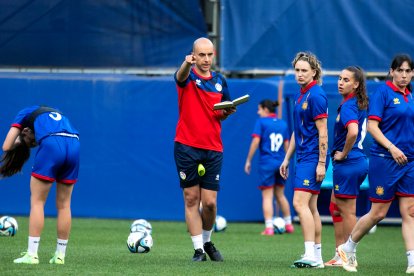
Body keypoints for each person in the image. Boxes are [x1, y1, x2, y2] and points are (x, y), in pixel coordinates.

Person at [338, 54, 414, 274]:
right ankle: (348, 248)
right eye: (400, 70)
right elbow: (372, 127)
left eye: (408, 71)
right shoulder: (383, 93)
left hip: (409, 162)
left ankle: (412, 261)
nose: (404, 75)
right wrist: (392, 147)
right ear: (391, 71)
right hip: (385, 160)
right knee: (379, 213)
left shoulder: (410, 96)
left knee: (410, 212)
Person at [173, 37, 236, 262]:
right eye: (201, 55)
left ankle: (208, 241)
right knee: (191, 198)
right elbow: (179, 77)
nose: (206, 59)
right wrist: (186, 64)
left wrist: (227, 112)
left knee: (209, 203)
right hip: (186, 146)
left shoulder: (220, 81)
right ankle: (198, 249)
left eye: (210, 55)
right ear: (193, 55)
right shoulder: (187, 75)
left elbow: (221, 111)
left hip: (212, 148)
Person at [0, 105, 80, 265]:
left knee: (37, 202)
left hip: (52, 144)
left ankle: (32, 254)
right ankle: (60, 256)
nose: (35, 143)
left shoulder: (23, 112)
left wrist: (20, 142)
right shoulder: (54, 111)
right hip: (74, 144)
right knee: (64, 205)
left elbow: (6, 146)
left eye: (32, 143)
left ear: (25, 131)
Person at [279, 51, 328, 268]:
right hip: (303, 158)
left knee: (299, 203)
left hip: (311, 159)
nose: (299, 74)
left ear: (314, 72)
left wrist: (320, 162)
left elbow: (324, 132)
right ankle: (316, 256)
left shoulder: (316, 95)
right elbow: (296, 132)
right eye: (297, 70)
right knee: (312, 207)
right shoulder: (302, 94)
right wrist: (287, 159)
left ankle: (310, 254)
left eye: (304, 71)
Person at [324, 66, 369, 267]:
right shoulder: (353, 103)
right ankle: (339, 254)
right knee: (335, 206)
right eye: (340, 78)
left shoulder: (350, 105)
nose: (340, 82)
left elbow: (352, 132)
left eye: (346, 79)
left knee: (348, 211)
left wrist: (343, 152)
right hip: (355, 163)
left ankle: (349, 256)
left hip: (349, 163)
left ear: (356, 84)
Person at [244, 99, 294, 236]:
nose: (257, 112)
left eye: (259, 109)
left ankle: (269, 228)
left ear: (266, 110)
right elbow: (287, 145)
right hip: (280, 163)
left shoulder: (261, 122)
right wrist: (287, 162)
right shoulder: (283, 124)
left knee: (267, 196)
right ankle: (289, 225)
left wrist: (248, 160)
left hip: (267, 164)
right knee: (280, 194)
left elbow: (255, 141)